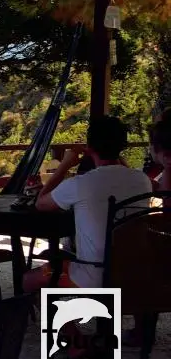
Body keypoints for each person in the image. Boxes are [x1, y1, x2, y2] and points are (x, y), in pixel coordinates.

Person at [25, 115, 152, 292]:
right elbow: (122, 175)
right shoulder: (143, 180)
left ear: (89, 147)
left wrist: (65, 165)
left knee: (29, 279)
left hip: (94, 278)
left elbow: (41, 203)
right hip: (132, 273)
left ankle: (62, 313)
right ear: (122, 146)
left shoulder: (80, 184)